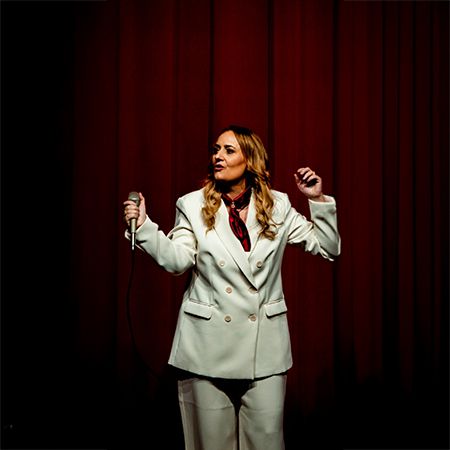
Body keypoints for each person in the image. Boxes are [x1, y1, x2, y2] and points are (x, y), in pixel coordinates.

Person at [122, 125, 341, 450]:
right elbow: (177, 260)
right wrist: (144, 227)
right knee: (212, 445)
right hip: (207, 346)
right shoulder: (192, 205)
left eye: (228, 150)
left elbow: (328, 247)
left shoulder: (278, 206)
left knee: (266, 443)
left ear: (250, 159)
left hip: (264, 348)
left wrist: (317, 200)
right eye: (216, 150)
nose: (218, 157)